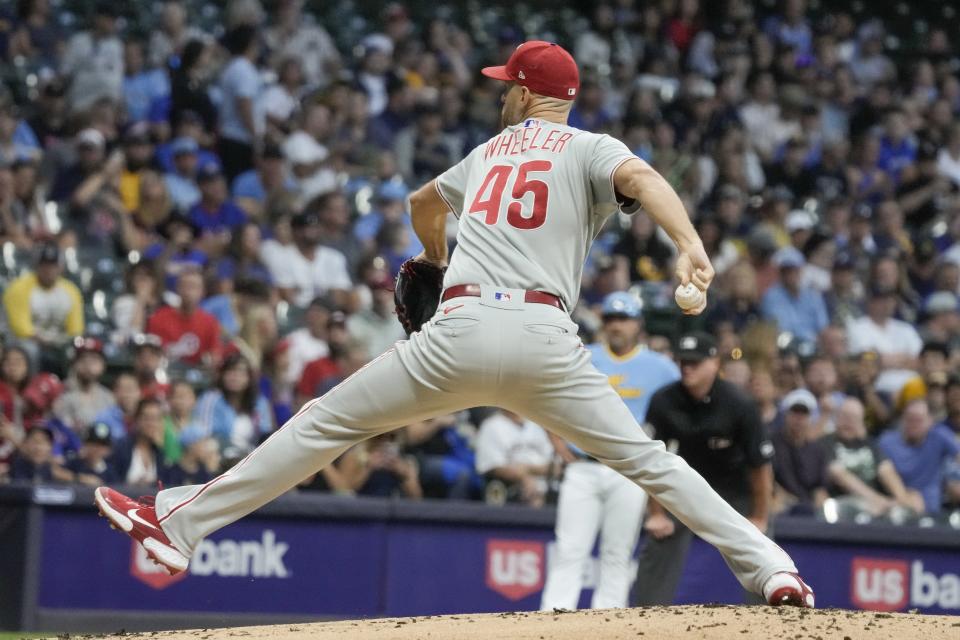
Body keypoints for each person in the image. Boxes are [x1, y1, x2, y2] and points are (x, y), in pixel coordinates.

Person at [94, 41, 813, 608]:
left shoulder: (486, 154)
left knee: (324, 424)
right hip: (545, 343)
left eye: (509, 83)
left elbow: (417, 203)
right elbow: (647, 180)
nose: (503, 91)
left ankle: (178, 528)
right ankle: (776, 571)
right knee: (651, 463)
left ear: (528, 93)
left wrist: (434, 257)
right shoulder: (592, 147)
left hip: (459, 333)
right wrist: (689, 245)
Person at [541, 291, 679, 611]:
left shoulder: (661, 367)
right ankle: (550, 622)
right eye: (611, 319)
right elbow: (547, 394)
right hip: (584, 465)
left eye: (624, 319)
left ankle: (609, 623)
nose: (616, 325)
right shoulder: (583, 354)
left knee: (617, 553)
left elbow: (678, 411)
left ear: (638, 324)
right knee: (569, 549)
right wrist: (557, 442)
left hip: (629, 470)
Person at [631, 332, 775, 606]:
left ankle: (766, 622)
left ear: (714, 363)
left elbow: (760, 466)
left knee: (761, 547)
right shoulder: (664, 400)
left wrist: (760, 516)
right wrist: (657, 514)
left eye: (695, 362)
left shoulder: (739, 403)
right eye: (683, 361)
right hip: (688, 486)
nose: (687, 367)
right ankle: (646, 617)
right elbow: (650, 460)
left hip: (737, 489)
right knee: (661, 534)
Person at [822, 398, 924, 518]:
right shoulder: (827, 443)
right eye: (845, 416)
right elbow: (841, 477)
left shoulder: (870, 444)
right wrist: (878, 500)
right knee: (869, 508)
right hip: (847, 500)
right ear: (837, 418)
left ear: (861, 422)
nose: (848, 422)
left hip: (878, 501)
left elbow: (886, 471)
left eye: (854, 418)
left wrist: (902, 500)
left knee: (916, 499)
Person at [878, 398, 960, 514]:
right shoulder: (887, 441)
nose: (913, 424)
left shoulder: (939, 435)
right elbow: (883, 473)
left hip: (931, 511)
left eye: (919, 420)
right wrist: (905, 499)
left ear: (930, 421)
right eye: (910, 419)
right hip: (896, 507)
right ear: (902, 419)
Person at [475, 410, 554, 507]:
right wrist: (523, 477)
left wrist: (527, 468)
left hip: (548, 486)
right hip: (513, 487)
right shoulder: (491, 426)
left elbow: (555, 466)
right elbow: (493, 467)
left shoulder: (537, 425)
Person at [146, 267, 223, 368]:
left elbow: (215, 355)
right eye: (185, 286)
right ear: (178, 289)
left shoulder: (210, 322)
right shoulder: (159, 317)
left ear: (202, 292)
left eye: (194, 287)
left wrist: (209, 361)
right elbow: (149, 352)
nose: (188, 292)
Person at [771, 389, 830, 515]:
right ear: (785, 415)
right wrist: (784, 497)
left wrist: (821, 510)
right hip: (780, 504)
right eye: (794, 412)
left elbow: (820, 487)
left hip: (809, 505)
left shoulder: (817, 450)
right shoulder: (771, 443)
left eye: (804, 414)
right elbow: (767, 477)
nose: (798, 418)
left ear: (810, 418)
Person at [51, 337, 114, 435]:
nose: (88, 365)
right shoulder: (60, 392)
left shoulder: (108, 397)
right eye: (83, 359)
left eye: (94, 360)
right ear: (74, 364)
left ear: (103, 365)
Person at [63, 421, 116, 485]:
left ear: (108, 449)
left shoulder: (110, 472)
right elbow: (55, 471)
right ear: (85, 445)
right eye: (93, 444)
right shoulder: (74, 463)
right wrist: (80, 478)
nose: (97, 449)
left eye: (102, 445)